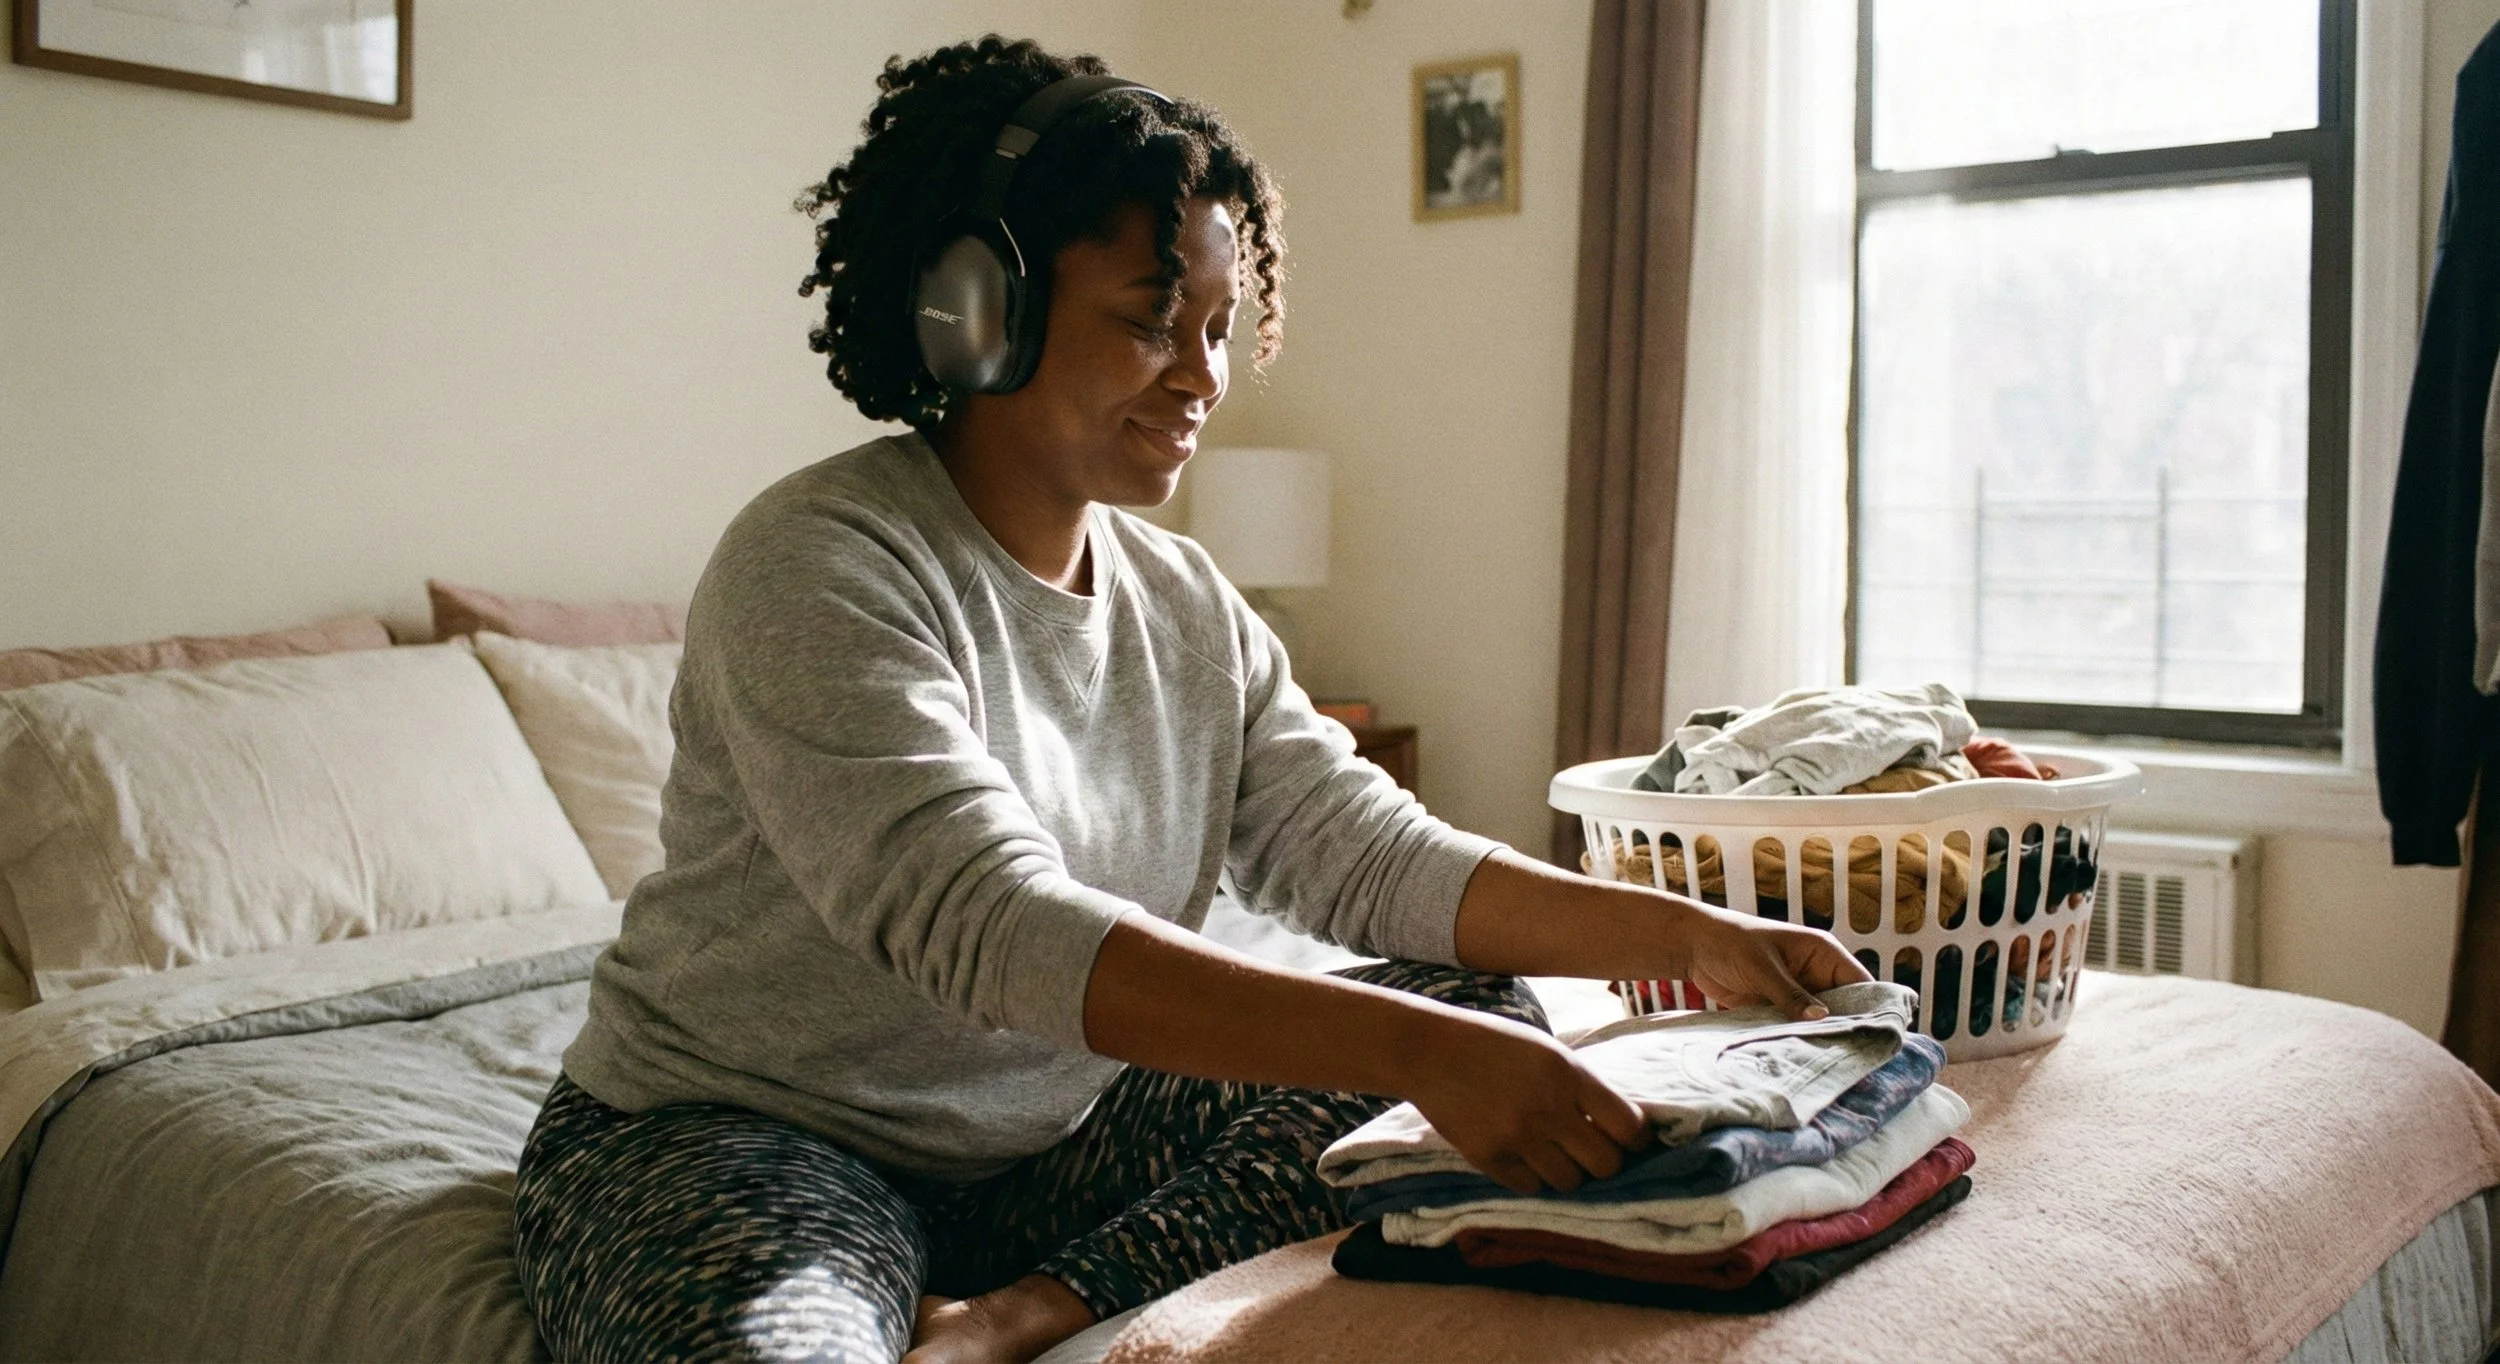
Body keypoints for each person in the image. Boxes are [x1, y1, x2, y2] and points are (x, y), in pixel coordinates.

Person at [510, 35, 1869, 1364]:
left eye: (1220, 327)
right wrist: (1434, 1055)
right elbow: (993, 928)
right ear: (983, 314)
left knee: (1475, 1007)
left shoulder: (1187, 604)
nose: (1204, 376)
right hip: (744, 1142)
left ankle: (1029, 1309)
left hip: (1052, 1156)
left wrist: (1689, 936)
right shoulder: (816, 564)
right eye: (1153, 323)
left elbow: (1365, 854)